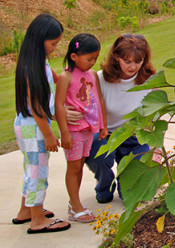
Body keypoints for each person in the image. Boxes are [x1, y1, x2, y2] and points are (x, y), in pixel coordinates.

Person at [76, 34, 155, 203]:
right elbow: (83, 104)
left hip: (134, 136)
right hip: (107, 134)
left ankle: (125, 180)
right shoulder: (100, 79)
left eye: (138, 61)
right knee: (97, 155)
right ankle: (104, 184)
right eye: (127, 61)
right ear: (117, 57)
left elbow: (155, 114)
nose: (133, 66)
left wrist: (153, 141)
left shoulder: (149, 81)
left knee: (130, 197)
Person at [13, 14, 71, 234]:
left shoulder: (37, 60)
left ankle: (25, 211)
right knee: (38, 172)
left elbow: (54, 78)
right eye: (53, 43)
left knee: (31, 169)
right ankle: (37, 219)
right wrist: (48, 135)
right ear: (39, 40)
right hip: (33, 126)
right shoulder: (32, 66)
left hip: (27, 124)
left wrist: (65, 79)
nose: (55, 48)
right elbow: (36, 105)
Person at [54, 33, 107, 223]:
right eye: (89, 58)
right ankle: (75, 207)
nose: (93, 62)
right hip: (74, 130)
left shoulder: (92, 75)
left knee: (80, 165)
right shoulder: (65, 77)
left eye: (95, 58)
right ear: (74, 56)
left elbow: (98, 99)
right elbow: (59, 106)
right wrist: (65, 133)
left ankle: (74, 203)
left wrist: (103, 126)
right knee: (73, 167)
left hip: (88, 129)